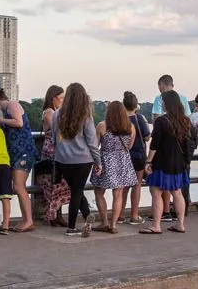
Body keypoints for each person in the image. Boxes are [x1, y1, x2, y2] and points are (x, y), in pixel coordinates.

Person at [51, 82, 101, 237]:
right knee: (77, 191)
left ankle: (87, 216)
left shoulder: (56, 114)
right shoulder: (85, 115)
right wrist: (98, 161)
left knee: (76, 190)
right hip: (83, 159)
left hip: (63, 160)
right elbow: (92, 142)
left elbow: (53, 139)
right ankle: (71, 227)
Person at [140, 90, 191, 235]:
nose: (161, 103)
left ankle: (156, 225)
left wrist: (148, 161)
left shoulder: (161, 121)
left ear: (167, 103)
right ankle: (180, 224)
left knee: (156, 192)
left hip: (162, 162)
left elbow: (155, 144)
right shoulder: (185, 121)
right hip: (178, 163)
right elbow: (187, 145)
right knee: (177, 192)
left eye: (163, 101)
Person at [0, 89, 37, 232]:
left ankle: (28, 220)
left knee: (18, 186)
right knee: (18, 186)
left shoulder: (12, 105)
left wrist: (1, 120)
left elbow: (19, 122)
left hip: (24, 152)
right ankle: (26, 220)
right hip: (17, 153)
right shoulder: (6, 112)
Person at [90, 101, 137, 232]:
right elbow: (129, 146)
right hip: (123, 161)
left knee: (99, 192)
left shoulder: (102, 126)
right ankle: (114, 224)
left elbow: (95, 146)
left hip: (105, 161)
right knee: (118, 194)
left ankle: (104, 222)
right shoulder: (130, 127)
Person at [37, 85, 76, 226]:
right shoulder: (49, 112)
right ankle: (53, 216)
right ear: (53, 98)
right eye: (61, 98)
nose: (63, 101)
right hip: (52, 150)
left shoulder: (56, 112)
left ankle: (57, 214)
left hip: (58, 149)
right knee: (53, 182)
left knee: (60, 183)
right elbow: (58, 129)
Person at [123, 92, 151, 224]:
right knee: (137, 185)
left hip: (124, 155)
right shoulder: (139, 118)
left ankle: (120, 214)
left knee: (123, 186)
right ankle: (134, 215)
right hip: (138, 155)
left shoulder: (121, 119)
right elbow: (147, 136)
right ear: (136, 105)